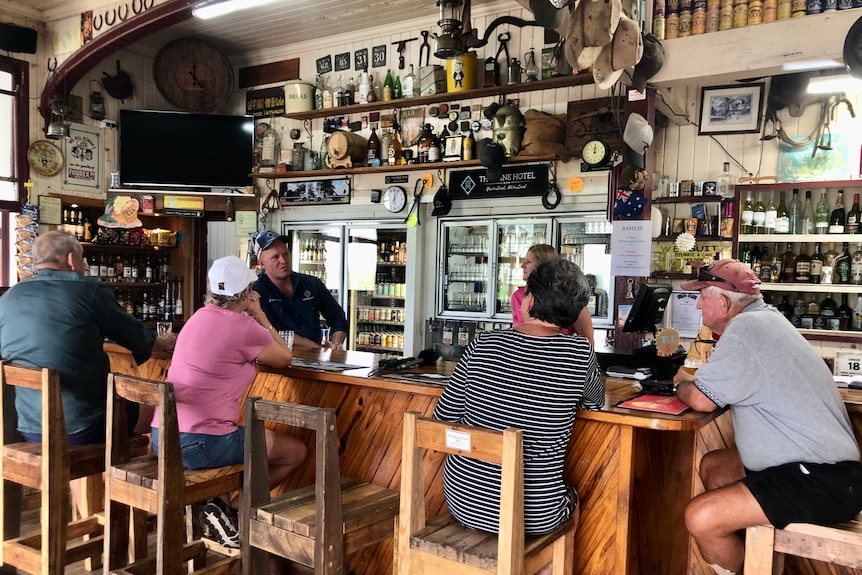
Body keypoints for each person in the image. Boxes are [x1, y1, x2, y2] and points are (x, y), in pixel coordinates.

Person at [671, 259, 862, 575]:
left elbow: (702, 399)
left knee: (700, 518)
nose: (698, 306)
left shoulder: (747, 328)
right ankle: (752, 562)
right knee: (715, 468)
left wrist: (680, 382)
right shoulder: (764, 320)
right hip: (812, 470)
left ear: (724, 300)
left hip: (822, 481)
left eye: (702, 296)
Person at [434, 256, 604, 572]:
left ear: (529, 301)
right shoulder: (581, 354)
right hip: (535, 512)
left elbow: (444, 415)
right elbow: (595, 403)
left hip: (463, 500)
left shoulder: (483, 343)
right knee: (573, 502)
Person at [0, 231, 176, 509]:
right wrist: (162, 343)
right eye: (82, 259)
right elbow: (135, 336)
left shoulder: (10, 297)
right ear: (71, 259)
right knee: (161, 414)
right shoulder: (87, 289)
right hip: (82, 428)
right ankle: (148, 507)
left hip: (29, 427)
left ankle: (89, 514)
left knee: (88, 409)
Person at [153, 255, 307, 550]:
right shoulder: (243, 328)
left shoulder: (196, 318)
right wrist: (260, 314)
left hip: (164, 438)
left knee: (236, 437)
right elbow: (284, 358)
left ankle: (220, 508)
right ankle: (230, 511)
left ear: (211, 286)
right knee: (295, 452)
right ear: (247, 293)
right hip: (202, 444)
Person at [252, 230, 348, 350]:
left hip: (315, 362)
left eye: (285, 254)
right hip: (277, 362)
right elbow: (274, 334)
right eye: (275, 257)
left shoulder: (312, 284)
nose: (283, 260)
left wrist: (336, 344)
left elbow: (337, 317)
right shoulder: (256, 293)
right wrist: (317, 348)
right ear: (262, 263)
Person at [511, 244, 595, 346]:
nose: (522, 265)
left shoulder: (570, 297)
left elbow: (588, 342)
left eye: (528, 262)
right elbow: (515, 329)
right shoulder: (518, 295)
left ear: (543, 266)